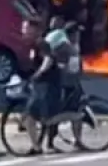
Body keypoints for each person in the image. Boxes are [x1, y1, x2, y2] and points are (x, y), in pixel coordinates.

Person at [26, 25, 78, 155]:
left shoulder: (41, 44)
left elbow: (48, 60)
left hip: (48, 84)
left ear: (35, 30)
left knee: (40, 117)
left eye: (27, 29)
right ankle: (37, 146)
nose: (24, 31)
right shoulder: (36, 44)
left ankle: (76, 115)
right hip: (44, 84)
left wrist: (38, 74)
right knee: (39, 117)